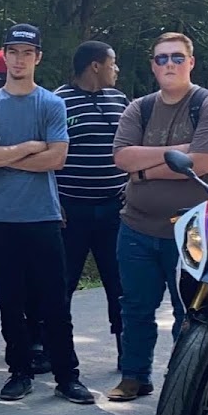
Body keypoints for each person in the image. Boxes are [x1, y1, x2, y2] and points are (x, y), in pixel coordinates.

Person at [0, 24, 94, 404]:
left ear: (38, 57)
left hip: (43, 217)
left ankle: (67, 376)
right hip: (0, 218)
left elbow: (57, 158)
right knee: (10, 301)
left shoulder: (51, 104)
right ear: (4, 56)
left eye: (27, 53)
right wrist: (28, 147)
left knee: (54, 302)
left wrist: (5, 157)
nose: (19, 59)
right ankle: (19, 372)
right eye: (13, 52)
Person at [109, 32, 208, 401]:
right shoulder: (140, 108)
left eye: (177, 57)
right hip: (136, 227)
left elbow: (205, 161)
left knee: (190, 313)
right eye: (161, 58)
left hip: (194, 230)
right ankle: (134, 376)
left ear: (190, 63)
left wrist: (144, 170)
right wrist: (180, 152)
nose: (169, 64)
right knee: (135, 307)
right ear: (153, 65)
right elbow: (122, 158)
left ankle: (181, 386)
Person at [54, 41, 129, 367]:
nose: (116, 69)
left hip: (115, 209)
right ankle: (58, 354)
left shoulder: (120, 100)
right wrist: (54, 202)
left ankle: (128, 353)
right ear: (95, 66)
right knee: (62, 284)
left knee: (120, 284)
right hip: (71, 210)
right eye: (112, 63)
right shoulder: (58, 102)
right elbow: (49, 155)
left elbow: (131, 147)